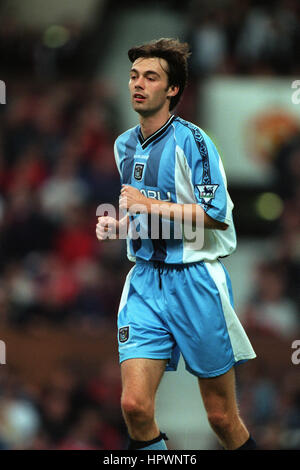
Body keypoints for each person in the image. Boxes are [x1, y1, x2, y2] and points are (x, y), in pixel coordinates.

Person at [96, 38, 256, 451]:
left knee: (221, 417)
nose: (138, 84)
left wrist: (147, 203)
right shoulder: (123, 145)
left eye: (151, 77)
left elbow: (214, 213)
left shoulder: (195, 142)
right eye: (134, 76)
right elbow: (145, 215)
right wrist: (118, 225)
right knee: (134, 405)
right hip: (146, 283)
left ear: (172, 90)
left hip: (196, 282)